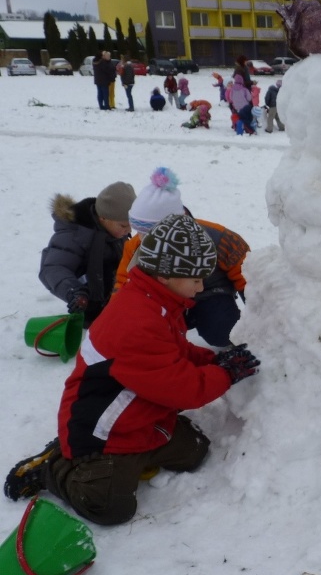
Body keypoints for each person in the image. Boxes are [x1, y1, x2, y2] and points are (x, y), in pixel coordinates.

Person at [5, 214, 261, 525]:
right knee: (110, 507)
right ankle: (52, 468)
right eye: (195, 279)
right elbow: (183, 388)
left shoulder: (157, 301)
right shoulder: (135, 321)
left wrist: (212, 362)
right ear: (166, 275)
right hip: (102, 434)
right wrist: (227, 374)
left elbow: (175, 351)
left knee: (194, 452)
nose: (201, 287)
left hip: (141, 418)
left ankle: (134, 460)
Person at [116, 167, 250, 348]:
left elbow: (247, 275)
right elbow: (124, 284)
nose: (141, 239)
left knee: (223, 331)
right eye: (139, 232)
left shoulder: (216, 237)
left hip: (208, 294)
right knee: (152, 336)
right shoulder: (136, 247)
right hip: (163, 298)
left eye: (148, 233)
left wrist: (258, 315)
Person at [39, 182, 136, 328]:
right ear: (103, 218)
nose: (128, 230)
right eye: (123, 225)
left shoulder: (114, 230)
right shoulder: (74, 235)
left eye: (131, 224)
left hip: (115, 296)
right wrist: (74, 292)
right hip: (89, 303)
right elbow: (53, 268)